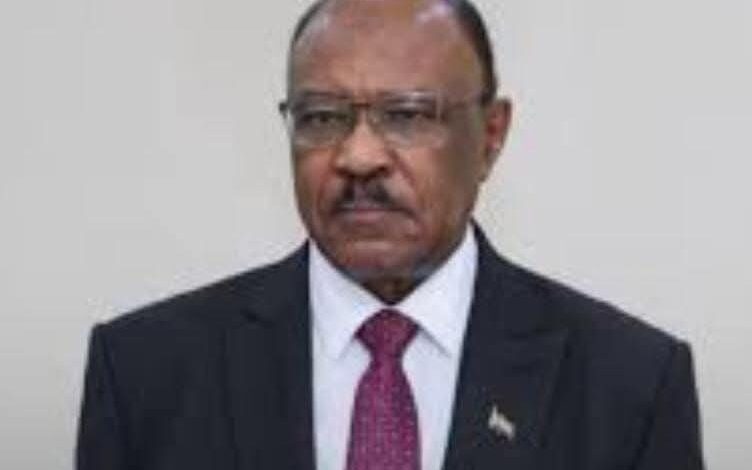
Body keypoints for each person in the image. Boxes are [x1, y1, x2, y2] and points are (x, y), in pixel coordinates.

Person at [76, 0, 705, 469]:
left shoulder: (630, 385)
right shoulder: (144, 373)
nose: (358, 157)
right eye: (322, 117)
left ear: (491, 136)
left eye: (406, 115)